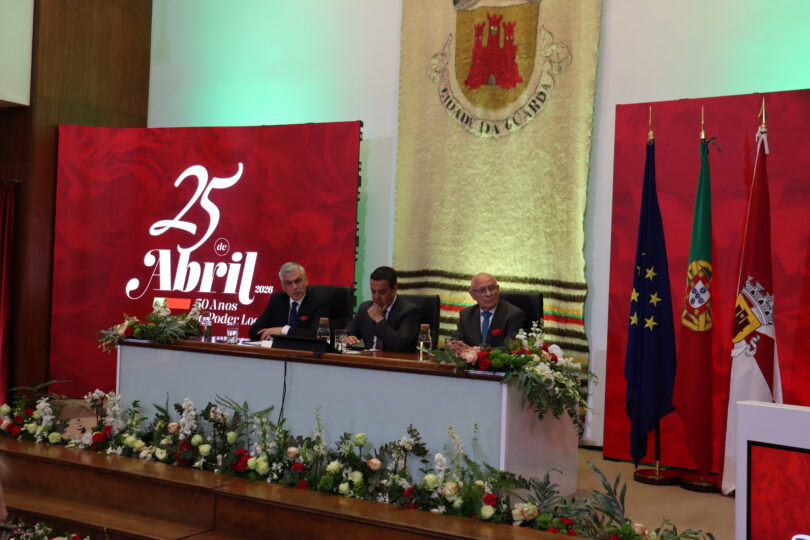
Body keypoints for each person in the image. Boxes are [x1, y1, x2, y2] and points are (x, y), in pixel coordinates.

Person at [344, 266, 419, 352]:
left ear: (394, 289)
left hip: (394, 359)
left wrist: (378, 319)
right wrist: (347, 339)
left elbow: (399, 344)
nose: (376, 297)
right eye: (373, 291)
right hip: (369, 358)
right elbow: (347, 333)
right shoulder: (365, 308)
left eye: (382, 292)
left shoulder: (409, 311)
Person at [249, 262, 328, 341]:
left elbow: (317, 335)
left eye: (298, 281)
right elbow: (254, 331)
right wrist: (271, 334)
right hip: (279, 348)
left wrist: (283, 330)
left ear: (306, 280)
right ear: (283, 286)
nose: (294, 287)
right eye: (289, 283)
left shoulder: (319, 301)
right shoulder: (277, 300)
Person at [448, 273, 525, 353]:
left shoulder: (514, 314)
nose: (488, 294)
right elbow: (457, 339)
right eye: (482, 290)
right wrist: (454, 345)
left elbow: (509, 348)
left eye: (492, 288)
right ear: (472, 294)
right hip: (467, 360)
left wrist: (477, 352)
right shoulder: (466, 314)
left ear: (498, 289)